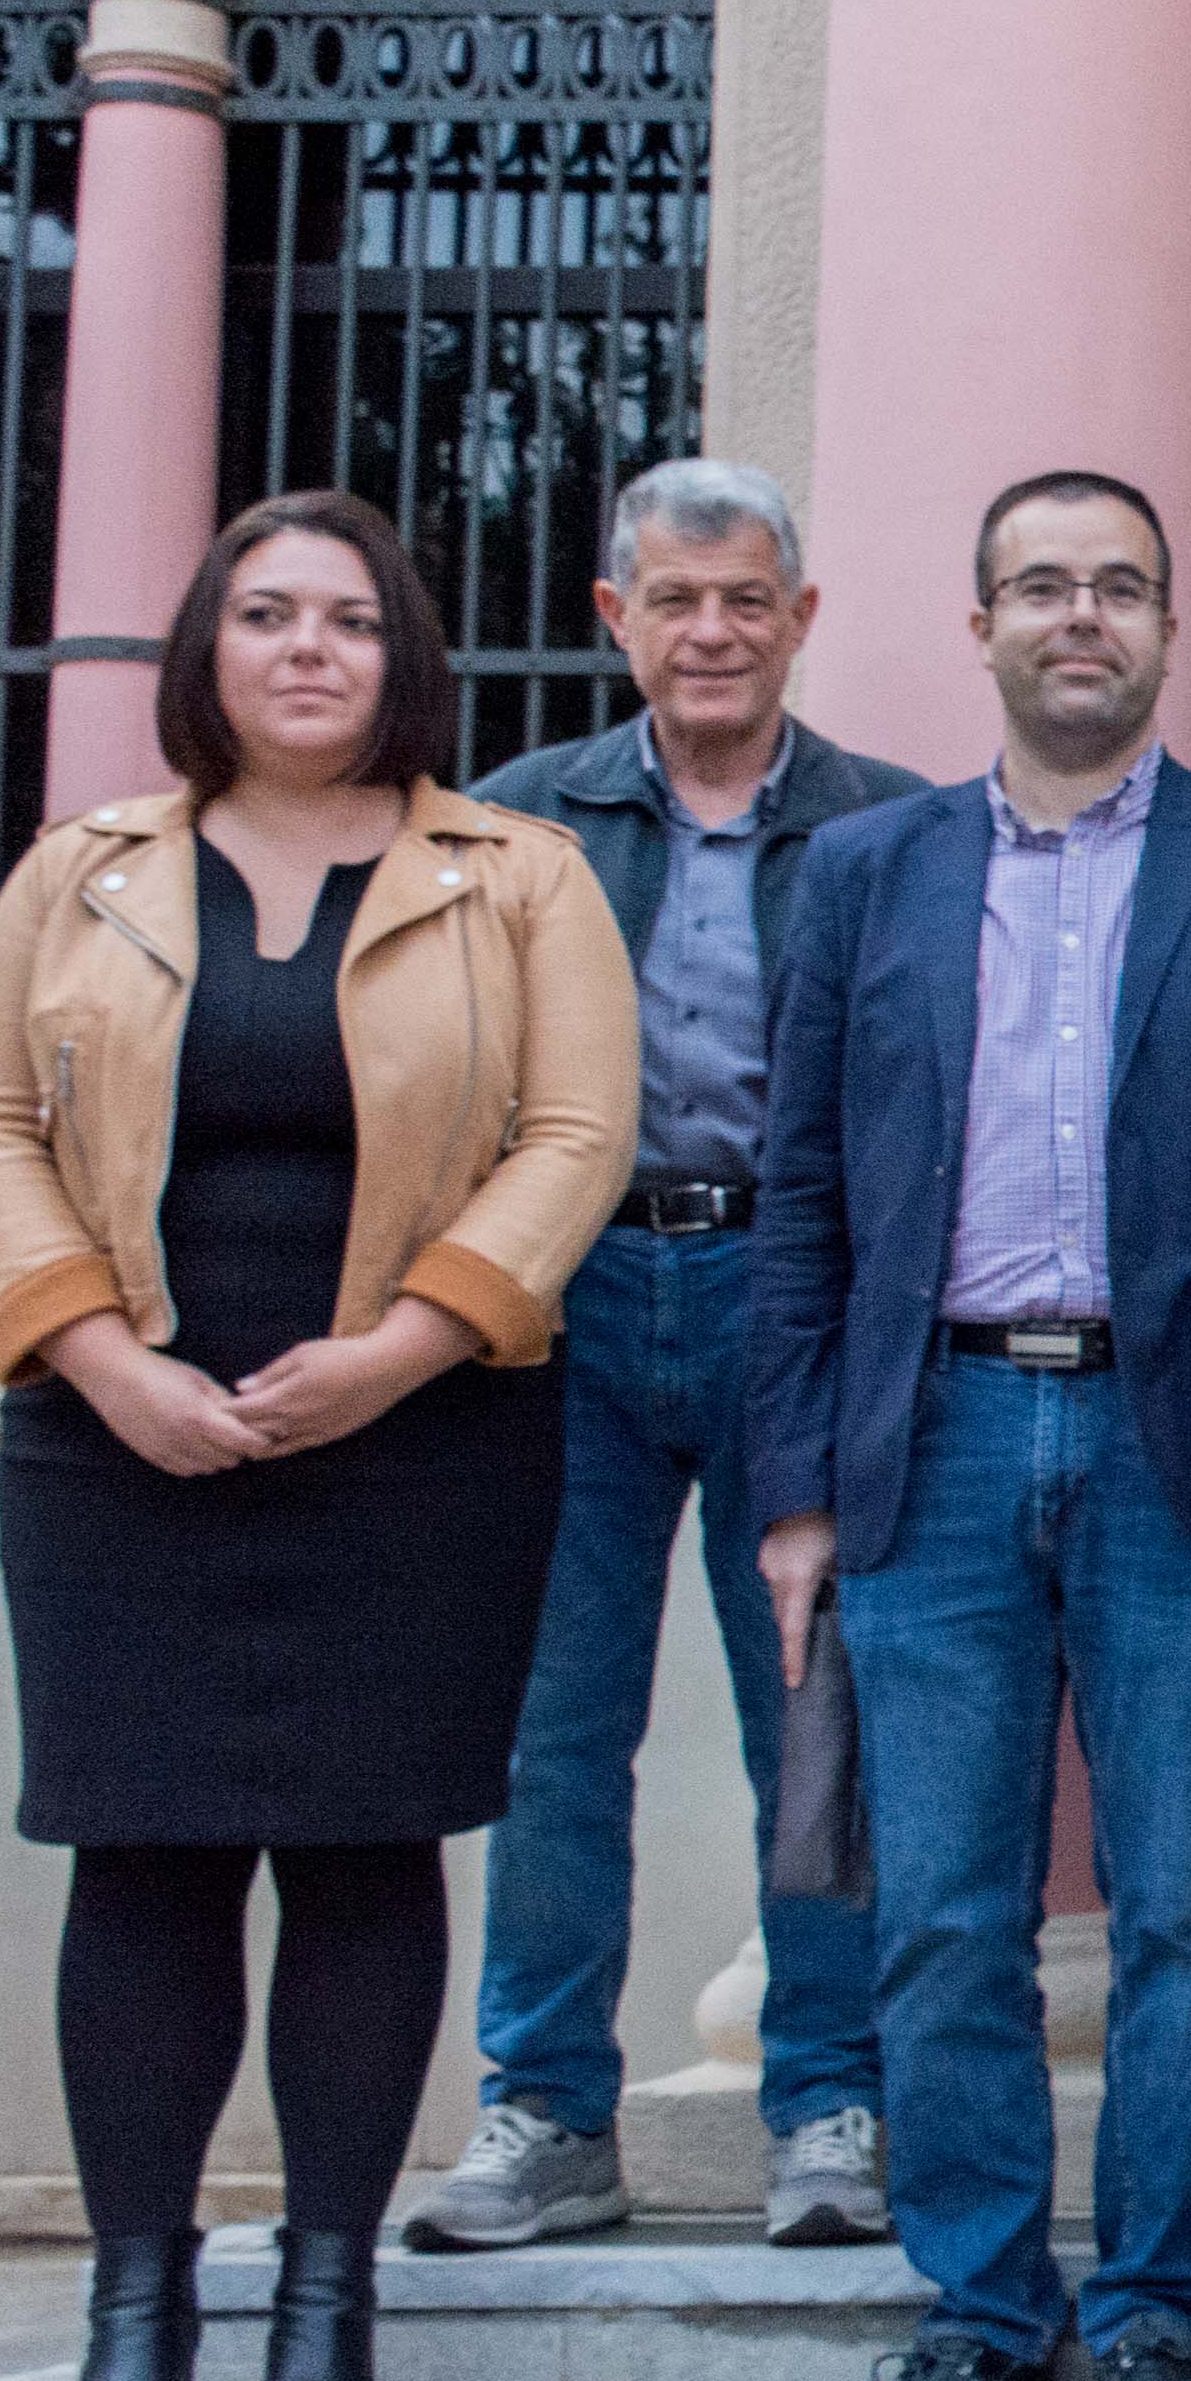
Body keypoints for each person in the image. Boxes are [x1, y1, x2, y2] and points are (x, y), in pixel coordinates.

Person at [0, 491, 632, 2381]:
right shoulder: (84, 872)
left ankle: (330, 2306)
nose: (307, 648)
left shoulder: (521, 875)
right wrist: (96, 1353)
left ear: (399, 649)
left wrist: (406, 1344)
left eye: (345, 617)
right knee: (137, 1850)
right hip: (115, 1434)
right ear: (206, 649)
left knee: (361, 1847)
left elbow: (578, 1135)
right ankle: (137, 2311)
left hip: (416, 1437)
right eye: (266, 614)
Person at [751, 473, 1191, 2381]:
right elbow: (806, 1194)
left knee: (1188, 1900)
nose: (1078, 615)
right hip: (926, 1436)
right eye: (1041, 583)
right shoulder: (865, 871)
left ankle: (1162, 2300)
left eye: (1117, 585)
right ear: (979, 619)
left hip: (1173, 1446)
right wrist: (801, 1488)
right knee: (942, 1906)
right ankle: (985, 2305)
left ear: (1169, 628)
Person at [417, 463, 925, 2258]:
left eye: (745, 600)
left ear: (800, 617)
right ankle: (546, 2113)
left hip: (797, 1312)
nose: (711, 632)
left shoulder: (890, 828)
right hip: (566, 1304)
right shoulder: (511, 827)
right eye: (675, 601)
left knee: (816, 1731)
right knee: (562, 1732)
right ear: (617, 617)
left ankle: (831, 2104)